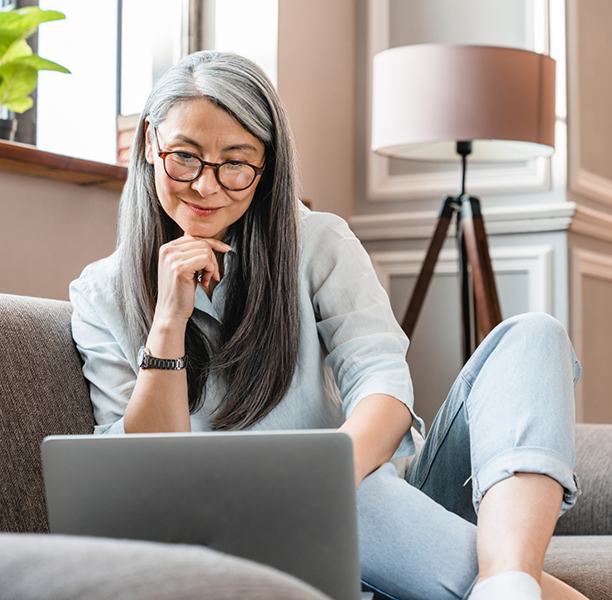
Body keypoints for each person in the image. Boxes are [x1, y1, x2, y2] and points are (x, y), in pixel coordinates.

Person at [70, 51, 586, 600]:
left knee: (533, 334)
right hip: (262, 536)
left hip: (379, 498)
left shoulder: (318, 242)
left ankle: (509, 578)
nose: (206, 186)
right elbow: (146, 474)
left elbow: (384, 393)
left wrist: (324, 489)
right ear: (150, 142)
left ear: (267, 165)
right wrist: (167, 323)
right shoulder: (101, 295)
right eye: (185, 157)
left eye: (237, 164)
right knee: (349, 493)